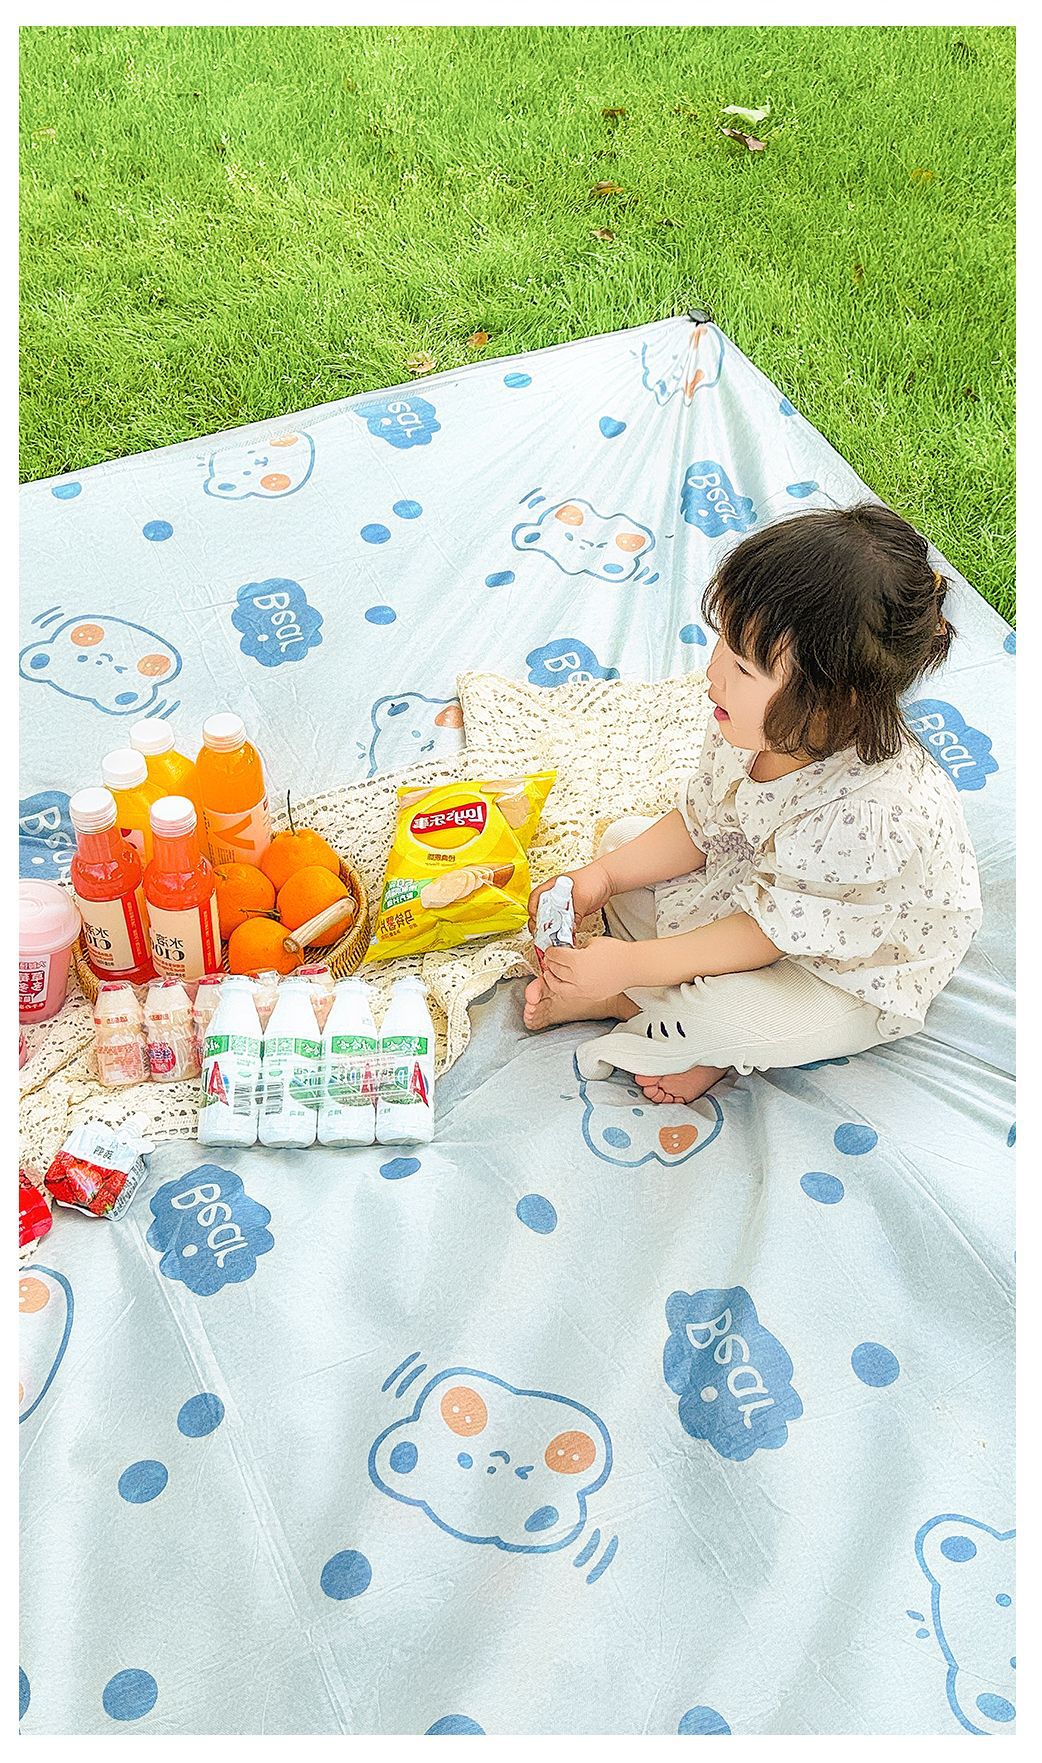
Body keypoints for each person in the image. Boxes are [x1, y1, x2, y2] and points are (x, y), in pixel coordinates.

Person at [523, 501, 983, 1103]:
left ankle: (645, 1013)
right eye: (722, 641)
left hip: (844, 964)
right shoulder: (750, 726)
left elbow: (764, 937)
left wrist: (629, 967)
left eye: (743, 667)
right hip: (765, 891)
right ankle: (641, 994)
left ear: (833, 699)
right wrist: (601, 877)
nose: (713, 673)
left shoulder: (872, 814)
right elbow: (699, 824)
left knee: (720, 1017)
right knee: (621, 845)